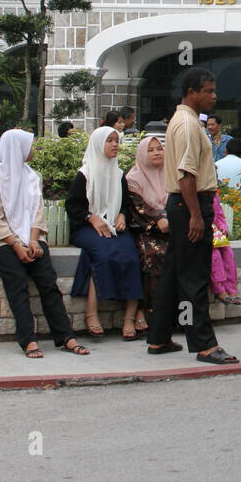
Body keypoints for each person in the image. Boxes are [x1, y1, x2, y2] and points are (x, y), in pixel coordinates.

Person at [148, 68, 239, 363]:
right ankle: (204, 344)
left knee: (175, 271)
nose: (214, 96)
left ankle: (159, 338)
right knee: (194, 276)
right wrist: (196, 216)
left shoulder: (187, 121)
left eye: (214, 90)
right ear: (191, 92)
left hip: (184, 205)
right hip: (190, 204)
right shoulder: (187, 125)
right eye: (208, 91)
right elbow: (186, 175)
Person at [0, 129, 88, 357]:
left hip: (31, 237)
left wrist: (32, 240)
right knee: (17, 281)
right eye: (29, 145)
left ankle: (65, 336)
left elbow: (37, 212)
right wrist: (17, 245)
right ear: (16, 148)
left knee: (48, 281)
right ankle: (28, 340)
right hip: (1, 241)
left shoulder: (31, 176)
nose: (33, 150)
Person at [68, 126, 144, 339]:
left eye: (116, 141)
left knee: (130, 254)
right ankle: (91, 314)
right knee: (103, 253)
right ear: (99, 144)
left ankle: (129, 317)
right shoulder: (85, 174)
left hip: (113, 226)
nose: (114, 145)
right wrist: (91, 218)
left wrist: (122, 216)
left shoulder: (118, 174)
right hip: (86, 228)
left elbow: (126, 205)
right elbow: (73, 206)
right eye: (109, 141)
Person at [125, 135, 168, 330]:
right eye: (150, 150)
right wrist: (159, 219)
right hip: (146, 231)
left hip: (173, 229)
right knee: (153, 255)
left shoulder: (173, 175)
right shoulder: (133, 178)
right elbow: (138, 208)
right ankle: (147, 311)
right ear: (142, 154)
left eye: (159, 148)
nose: (156, 153)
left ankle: (183, 317)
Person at [209, 194, 238, 304]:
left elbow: (220, 215)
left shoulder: (214, 196)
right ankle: (219, 290)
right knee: (214, 256)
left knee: (228, 254)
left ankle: (231, 290)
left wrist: (223, 228)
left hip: (217, 234)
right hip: (206, 233)